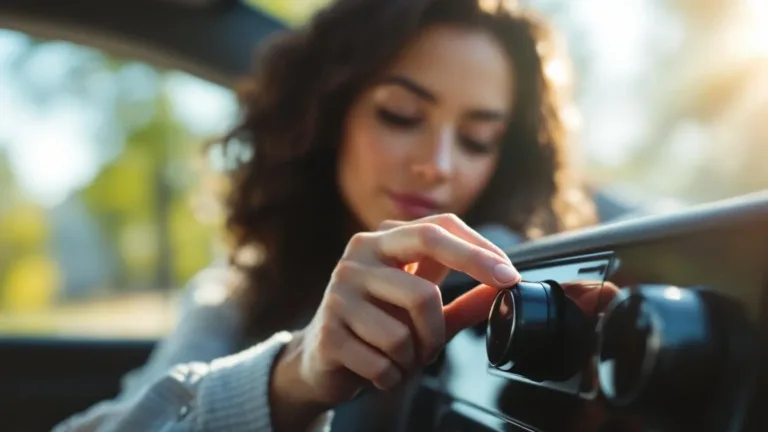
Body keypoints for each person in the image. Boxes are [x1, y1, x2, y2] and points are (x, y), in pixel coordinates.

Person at [56, 0, 596, 430]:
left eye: (479, 140)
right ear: (328, 116)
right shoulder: (234, 298)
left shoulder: (530, 278)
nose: (438, 165)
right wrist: (291, 378)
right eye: (400, 115)